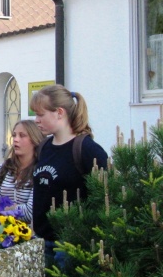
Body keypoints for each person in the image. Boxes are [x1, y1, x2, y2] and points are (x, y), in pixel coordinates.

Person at [31, 85, 108, 267]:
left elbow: (104, 198)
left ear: (59, 112)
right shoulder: (44, 147)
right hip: (42, 240)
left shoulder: (88, 150)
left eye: (41, 114)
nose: (36, 120)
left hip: (70, 244)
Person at [0, 119, 43, 224]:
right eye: (14, 135)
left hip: (28, 231)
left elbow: (30, 213)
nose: (16, 139)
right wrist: (13, 209)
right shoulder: (3, 168)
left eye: (22, 136)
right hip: (1, 229)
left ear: (34, 140)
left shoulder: (40, 171)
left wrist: (4, 208)